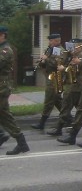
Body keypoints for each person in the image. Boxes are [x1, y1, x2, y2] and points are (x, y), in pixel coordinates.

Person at [0, 25, 30, 155]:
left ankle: (21, 143)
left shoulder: (6, 50)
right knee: (5, 116)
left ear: (2, 35)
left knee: (5, 116)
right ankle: (22, 143)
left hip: (2, 87)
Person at [47, 38, 82, 136]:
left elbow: (77, 70)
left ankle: (60, 129)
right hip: (71, 84)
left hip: (76, 85)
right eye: (70, 46)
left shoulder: (80, 56)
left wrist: (64, 69)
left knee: (67, 106)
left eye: (74, 46)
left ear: (79, 47)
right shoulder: (70, 55)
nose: (72, 49)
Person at [31, 33, 65, 130]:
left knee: (49, 100)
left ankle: (42, 123)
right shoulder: (50, 49)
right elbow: (48, 64)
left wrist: (47, 59)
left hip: (55, 78)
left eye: (51, 40)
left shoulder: (58, 50)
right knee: (57, 100)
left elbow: (57, 63)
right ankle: (68, 118)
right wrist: (42, 62)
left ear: (57, 41)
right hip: (50, 76)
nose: (49, 42)